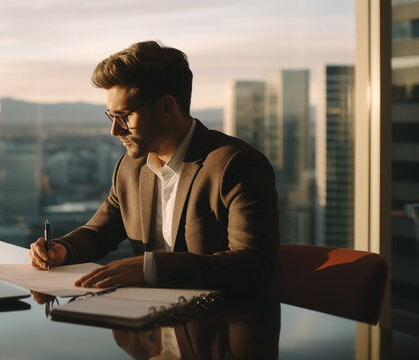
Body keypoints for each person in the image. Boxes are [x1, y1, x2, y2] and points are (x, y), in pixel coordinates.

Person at [29, 40, 280, 297]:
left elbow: (255, 265)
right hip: (146, 325)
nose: (114, 130)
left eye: (124, 116)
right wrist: (63, 248)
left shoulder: (236, 164)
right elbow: (100, 232)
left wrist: (152, 267)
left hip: (218, 324)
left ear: (166, 107)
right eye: (111, 116)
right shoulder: (131, 167)